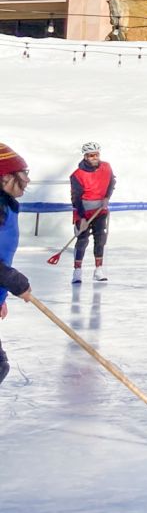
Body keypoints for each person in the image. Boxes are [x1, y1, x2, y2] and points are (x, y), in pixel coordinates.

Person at [0, 143, 33, 386]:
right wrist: (12, 280)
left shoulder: (6, 207)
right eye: (22, 174)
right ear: (4, 179)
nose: (28, 180)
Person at [69, 142, 115, 284]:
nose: (94, 158)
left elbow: (112, 182)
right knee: (82, 240)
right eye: (91, 155)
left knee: (100, 239)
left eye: (96, 155)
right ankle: (77, 271)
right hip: (83, 212)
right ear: (85, 157)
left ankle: (98, 270)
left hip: (100, 210)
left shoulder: (106, 167)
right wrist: (82, 217)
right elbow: (76, 198)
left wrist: (107, 197)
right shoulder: (77, 175)